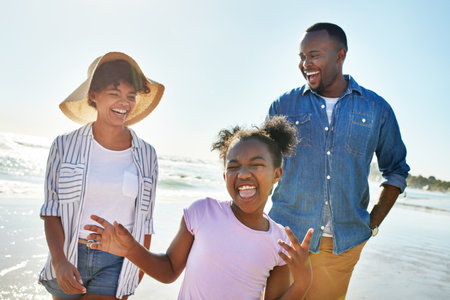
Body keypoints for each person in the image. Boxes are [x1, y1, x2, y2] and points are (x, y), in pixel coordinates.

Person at [85, 116, 314, 300]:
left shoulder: (280, 242)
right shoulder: (203, 212)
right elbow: (169, 270)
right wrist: (130, 250)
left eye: (256, 165)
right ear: (225, 175)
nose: (243, 173)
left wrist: (303, 281)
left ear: (277, 174)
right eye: (234, 167)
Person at [267, 23, 410, 300]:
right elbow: (264, 167)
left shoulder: (377, 109)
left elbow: (395, 170)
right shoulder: (283, 106)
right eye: (301, 57)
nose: (305, 63)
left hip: (342, 247)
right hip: (286, 240)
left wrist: (372, 224)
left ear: (340, 55)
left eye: (314, 55)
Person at [39, 52, 165, 300]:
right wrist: (60, 261)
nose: (124, 103)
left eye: (131, 96)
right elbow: (51, 210)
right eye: (114, 93)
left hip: (116, 262)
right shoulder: (63, 146)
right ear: (93, 95)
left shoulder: (147, 155)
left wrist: (138, 269)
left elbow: (146, 219)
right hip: (69, 256)